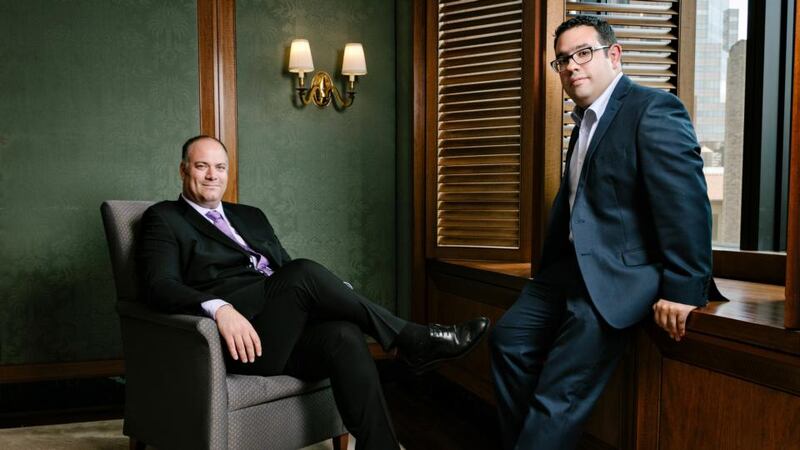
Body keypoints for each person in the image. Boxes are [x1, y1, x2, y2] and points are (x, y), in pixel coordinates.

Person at [137, 135, 489, 450]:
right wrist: (219, 308)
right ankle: (412, 339)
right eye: (202, 166)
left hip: (282, 328)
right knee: (305, 273)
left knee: (344, 334)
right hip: (240, 341)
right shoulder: (165, 218)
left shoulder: (250, 216)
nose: (212, 175)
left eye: (220, 167)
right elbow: (158, 285)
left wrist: (337, 293)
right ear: (183, 170)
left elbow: (284, 269)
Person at [489, 16, 717, 450]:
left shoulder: (653, 109)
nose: (572, 65)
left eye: (583, 53)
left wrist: (685, 288)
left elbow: (685, 205)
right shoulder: (586, 120)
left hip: (620, 276)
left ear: (614, 55)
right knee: (508, 342)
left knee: (560, 392)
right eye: (563, 60)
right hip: (567, 270)